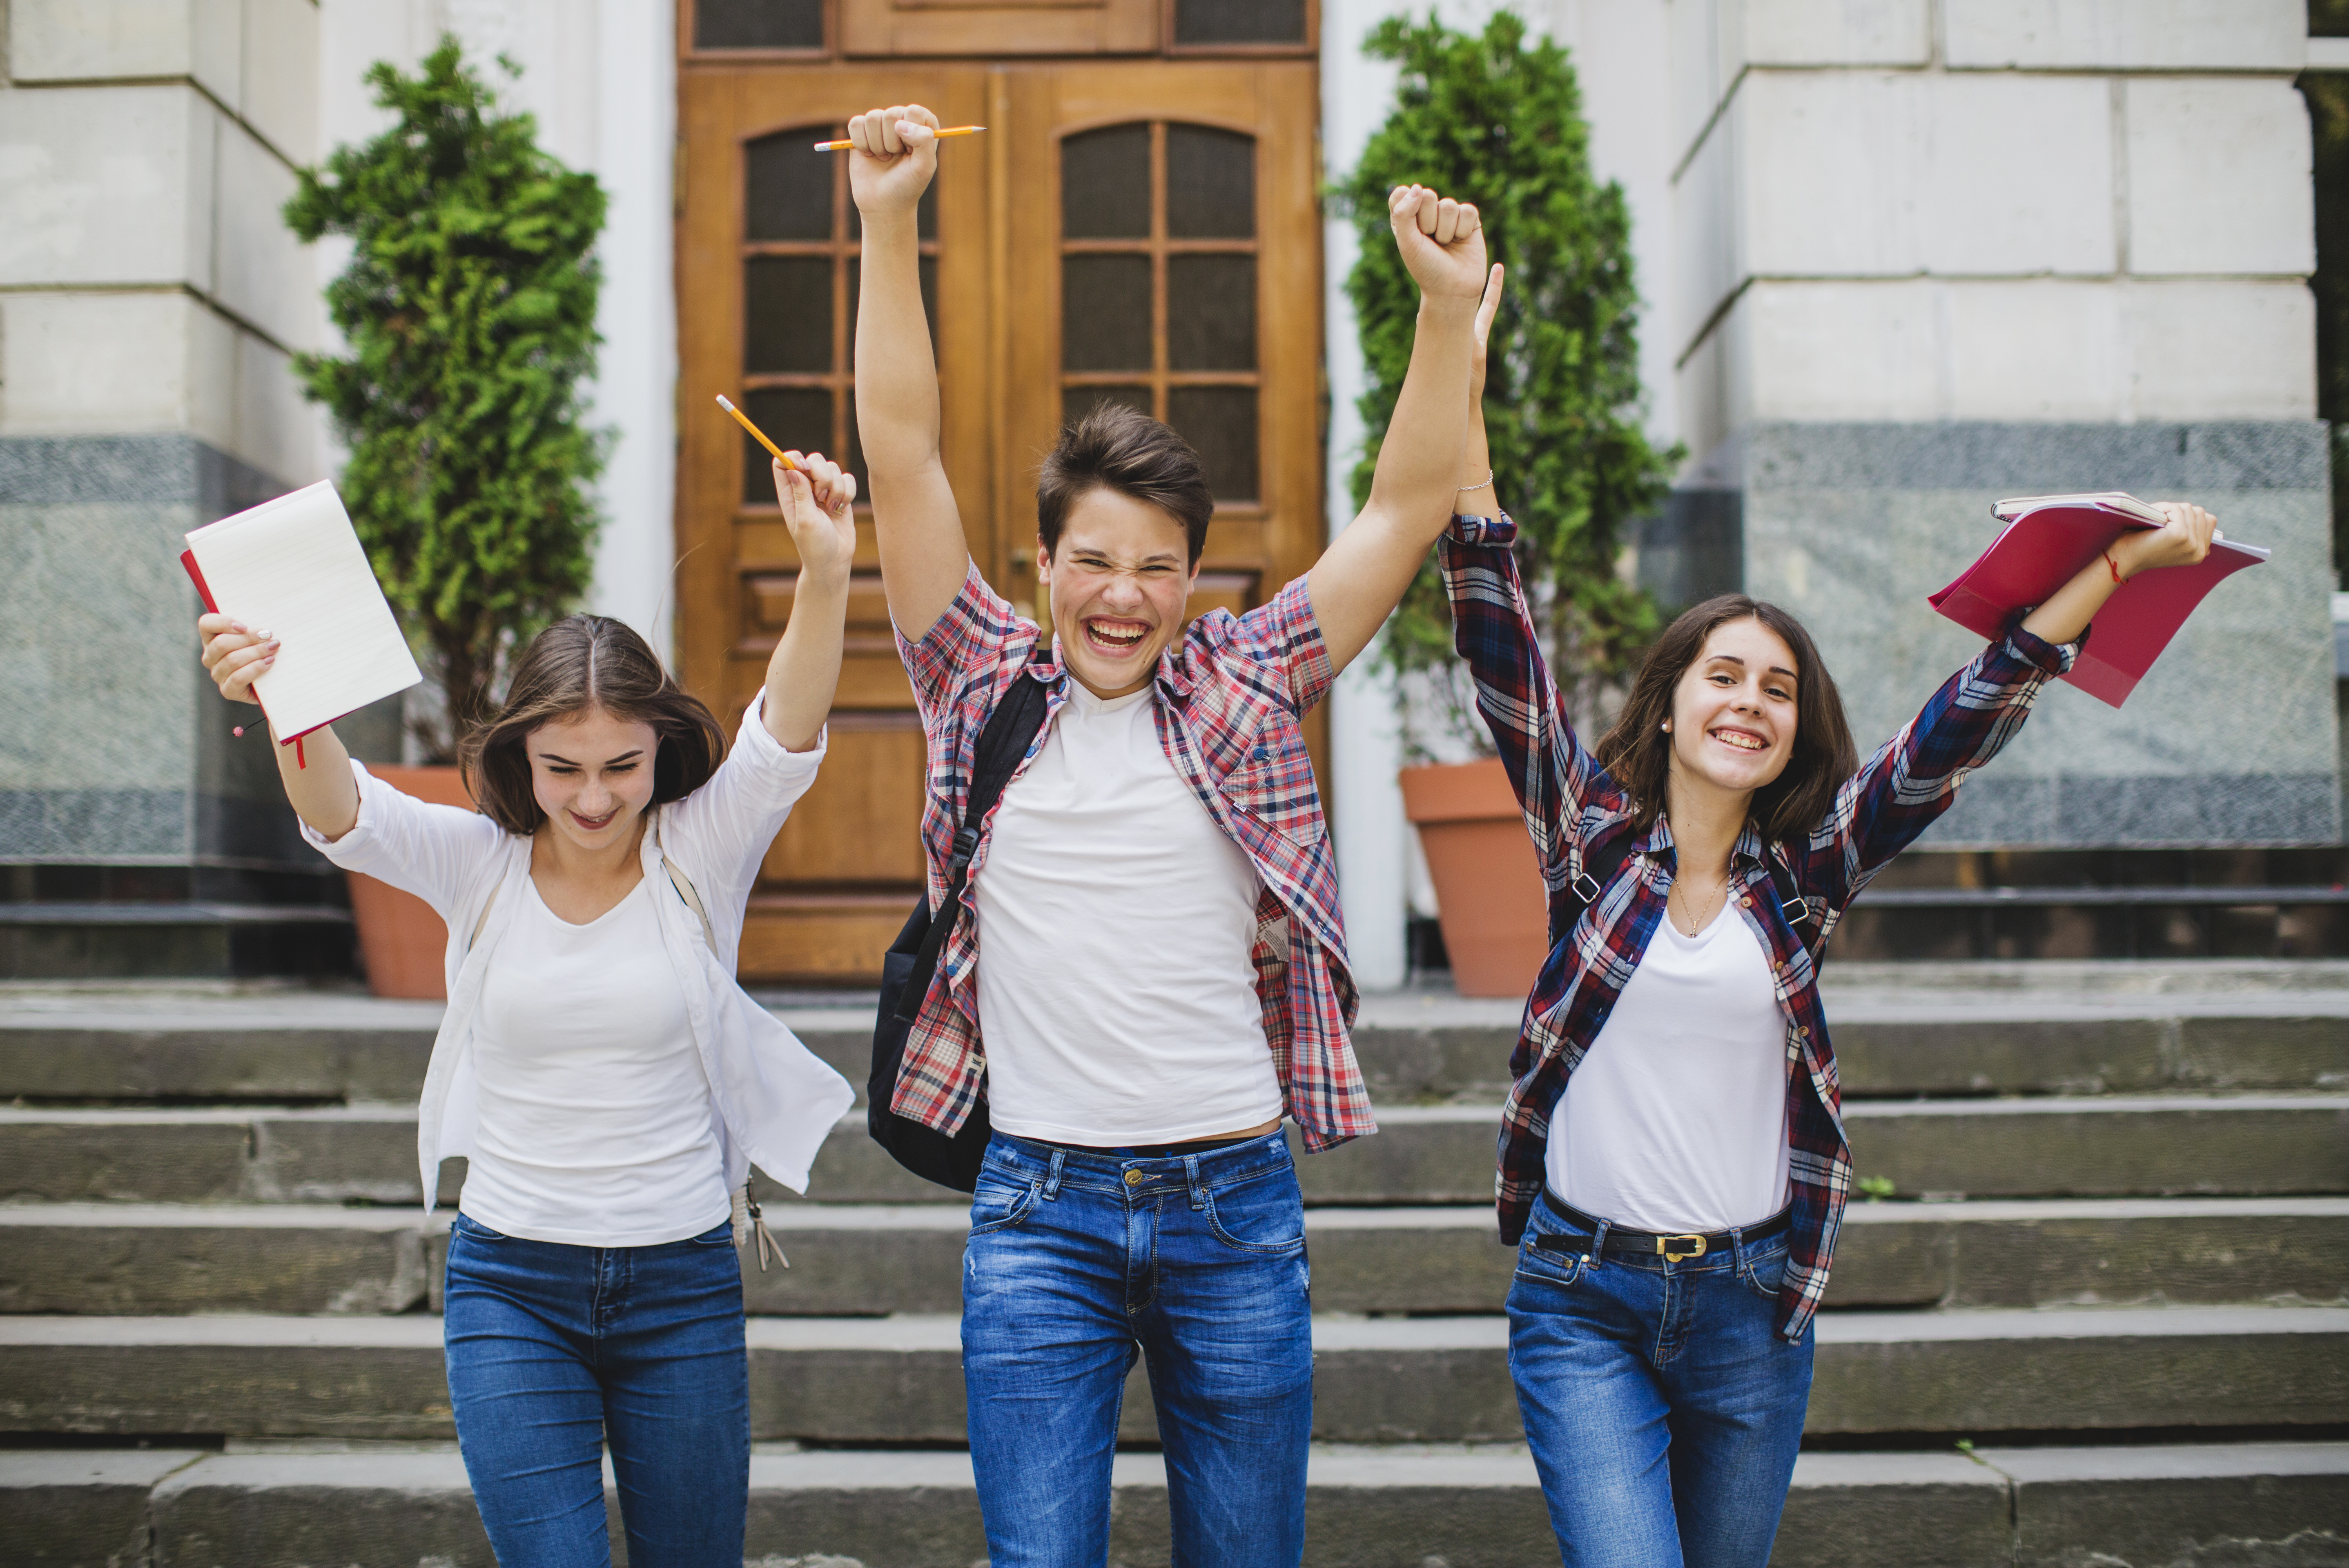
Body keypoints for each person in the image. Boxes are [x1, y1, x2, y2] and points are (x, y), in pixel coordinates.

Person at [1438, 299, 2222, 1565]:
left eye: (1779, 688)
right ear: (1675, 698)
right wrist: (1459, 388)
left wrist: (2122, 563)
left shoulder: (1803, 875)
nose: (1749, 702)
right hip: (1583, 1299)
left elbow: (1973, 709)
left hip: (1752, 1307)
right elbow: (1496, 625)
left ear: (1798, 729)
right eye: (1725, 675)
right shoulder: (1587, 839)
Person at [845, 102, 1495, 1566]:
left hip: (1233, 1204)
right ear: (1044, 565)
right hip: (1039, 1212)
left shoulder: (1247, 679)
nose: (1122, 597)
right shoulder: (973, 678)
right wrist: (892, 222)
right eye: (1093, 562)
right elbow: (901, 449)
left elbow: (1400, 513)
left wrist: (1447, 316)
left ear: (1197, 577)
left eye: (1157, 568)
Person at [194, 453, 865, 1567]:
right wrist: (283, 697)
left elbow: (785, 730)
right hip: (513, 1285)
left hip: (681, 1280)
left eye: (622, 765)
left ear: (662, 750)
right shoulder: (478, 862)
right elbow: (342, 812)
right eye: (562, 768)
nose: (595, 799)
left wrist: (827, 570)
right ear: (519, 754)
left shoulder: (701, 846)